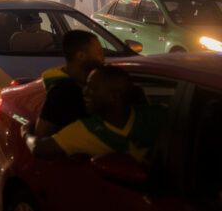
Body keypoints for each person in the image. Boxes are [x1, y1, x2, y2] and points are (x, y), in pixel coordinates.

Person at [29, 65, 164, 164]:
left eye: (92, 88)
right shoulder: (83, 129)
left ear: (115, 96)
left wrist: (26, 133)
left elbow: (39, 148)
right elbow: (42, 149)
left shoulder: (88, 131)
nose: (85, 92)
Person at [35, 30, 105, 137]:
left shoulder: (84, 82)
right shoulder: (63, 91)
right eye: (99, 53)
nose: (103, 59)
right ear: (81, 56)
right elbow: (41, 135)